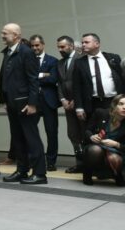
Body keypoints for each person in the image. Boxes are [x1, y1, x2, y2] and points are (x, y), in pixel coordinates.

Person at [0, 23, 46, 185]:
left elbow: (33, 79)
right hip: (13, 104)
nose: (2, 36)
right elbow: (4, 78)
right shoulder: (8, 52)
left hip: (25, 105)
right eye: (2, 33)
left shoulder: (26, 52)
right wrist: (3, 100)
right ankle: (22, 170)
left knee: (32, 140)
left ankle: (40, 174)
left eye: (5, 33)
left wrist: (32, 104)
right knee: (18, 139)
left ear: (16, 36)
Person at [73, 33, 124, 129]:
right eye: (82, 42)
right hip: (93, 103)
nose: (83, 44)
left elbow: (122, 79)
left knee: (119, 129)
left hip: (114, 100)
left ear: (97, 44)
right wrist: (79, 107)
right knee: (97, 130)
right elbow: (76, 87)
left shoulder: (113, 58)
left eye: (86, 42)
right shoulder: (79, 63)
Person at [28, 34, 60, 171]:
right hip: (32, 101)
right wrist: (43, 75)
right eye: (32, 46)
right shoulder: (27, 60)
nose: (35, 48)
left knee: (51, 133)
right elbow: (25, 80)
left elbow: (53, 79)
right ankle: (33, 160)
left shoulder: (53, 61)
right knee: (30, 132)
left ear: (43, 45)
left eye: (37, 45)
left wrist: (36, 76)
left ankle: (51, 162)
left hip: (49, 102)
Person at [56, 35, 85, 173]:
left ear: (71, 46)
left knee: (85, 133)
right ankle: (79, 164)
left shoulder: (81, 59)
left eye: (63, 47)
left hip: (80, 104)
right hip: (67, 105)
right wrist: (63, 100)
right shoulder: (60, 63)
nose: (60, 49)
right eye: (58, 47)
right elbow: (60, 84)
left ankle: (89, 164)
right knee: (73, 134)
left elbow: (83, 82)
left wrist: (75, 100)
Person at [81, 94, 125, 186]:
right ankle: (87, 174)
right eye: (121, 104)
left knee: (115, 159)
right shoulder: (101, 113)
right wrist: (91, 137)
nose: (124, 107)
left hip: (115, 151)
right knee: (95, 150)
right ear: (114, 105)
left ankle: (117, 175)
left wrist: (116, 144)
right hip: (97, 147)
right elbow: (87, 131)